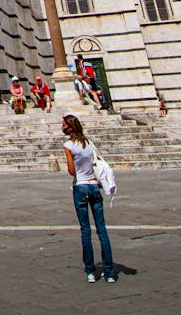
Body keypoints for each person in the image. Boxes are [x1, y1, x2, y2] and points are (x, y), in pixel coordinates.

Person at [62, 114, 116, 282]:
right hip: (94, 186)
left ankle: (91, 272)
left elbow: (72, 171)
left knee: (86, 231)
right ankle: (109, 272)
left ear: (70, 127)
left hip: (80, 187)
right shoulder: (89, 143)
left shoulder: (68, 145)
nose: (62, 127)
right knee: (102, 230)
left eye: (64, 125)